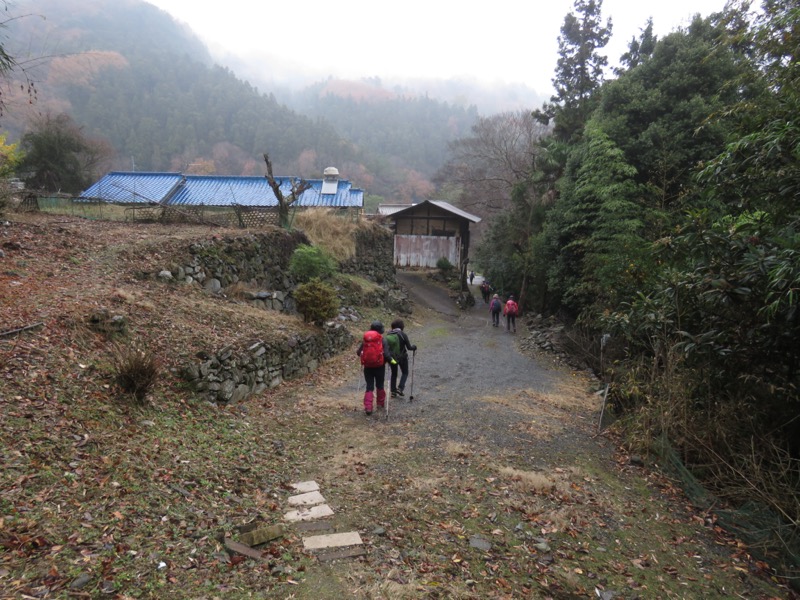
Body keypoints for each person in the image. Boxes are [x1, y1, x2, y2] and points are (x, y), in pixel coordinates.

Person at [356, 321, 395, 416]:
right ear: (380, 329)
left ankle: (368, 407)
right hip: (379, 367)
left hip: (368, 367)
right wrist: (392, 361)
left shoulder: (366, 339)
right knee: (380, 385)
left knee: (369, 386)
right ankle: (380, 404)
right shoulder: (382, 339)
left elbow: (358, 352)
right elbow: (386, 354)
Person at [385, 319, 417, 398]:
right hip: (402, 357)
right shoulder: (403, 334)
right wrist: (414, 347)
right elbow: (409, 347)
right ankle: (400, 388)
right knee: (405, 372)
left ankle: (393, 392)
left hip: (392, 358)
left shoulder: (389, 334)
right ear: (401, 326)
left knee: (394, 374)